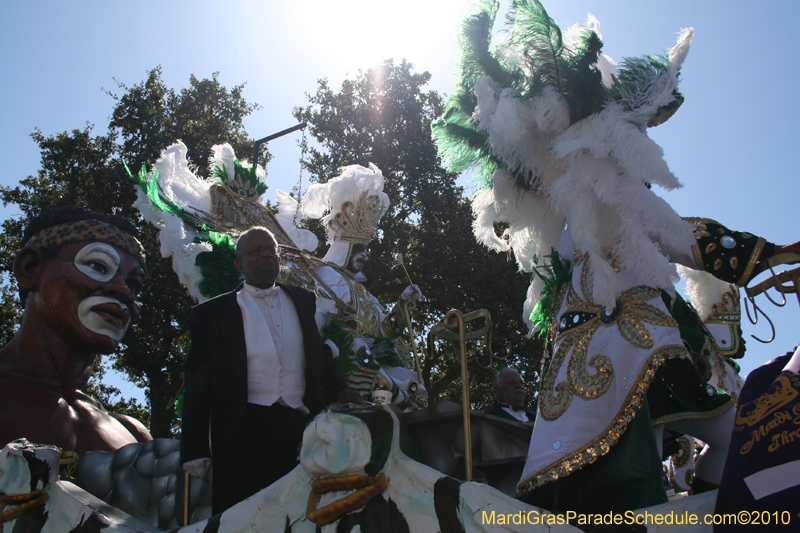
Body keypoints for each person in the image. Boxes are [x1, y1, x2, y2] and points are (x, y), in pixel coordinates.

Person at [180, 226, 361, 515]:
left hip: (297, 429)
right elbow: (198, 380)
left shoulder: (303, 300)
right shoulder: (213, 313)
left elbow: (317, 354)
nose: (265, 254)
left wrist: (339, 388)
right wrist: (194, 449)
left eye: (270, 249)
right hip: (239, 431)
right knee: (239, 517)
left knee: (297, 514)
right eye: (254, 251)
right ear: (239, 264)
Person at [0, 205, 151, 457]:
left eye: (133, 285)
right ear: (29, 268)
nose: (124, 292)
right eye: (98, 267)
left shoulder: (133, 436)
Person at [285, 164, 427, 409]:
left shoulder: (365, 293)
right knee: (382, 383)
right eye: (359, 251)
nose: (365, 257)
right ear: (345, 249)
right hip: (345, 354)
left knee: (418, 390)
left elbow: (386, 331)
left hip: (374, 358)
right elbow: (325, 320)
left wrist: (403, 302)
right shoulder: (326, 274)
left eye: (366, 252)